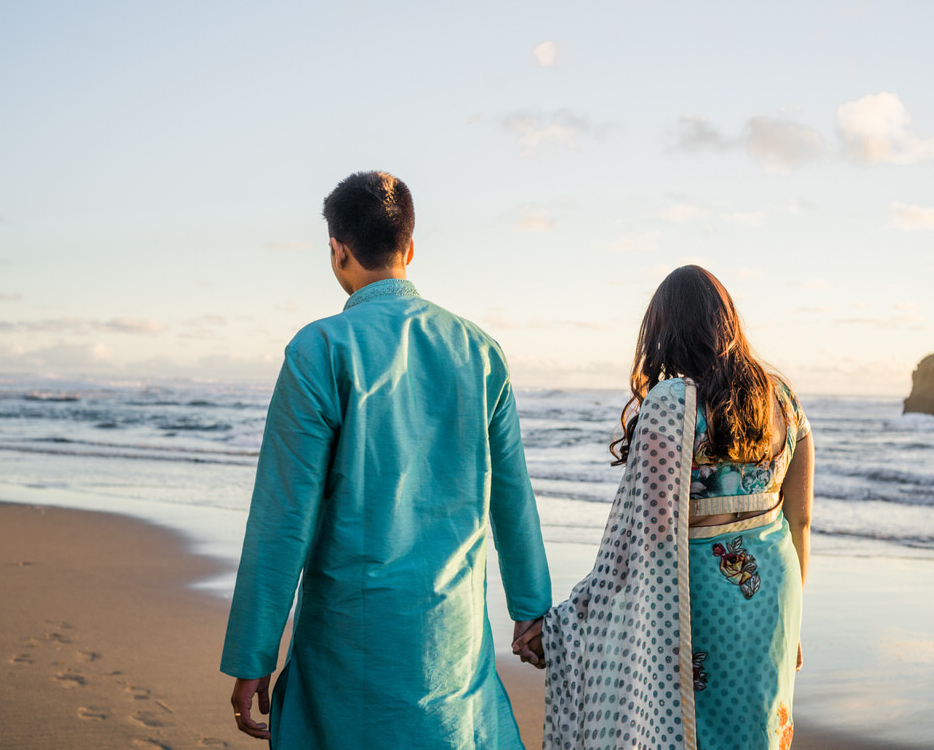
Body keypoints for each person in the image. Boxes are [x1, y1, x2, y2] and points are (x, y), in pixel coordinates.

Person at [220, 171, 552, 749]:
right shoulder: (478, 349)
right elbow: (512, 495)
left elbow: (282, 516)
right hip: (449, 634)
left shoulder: (318, 349)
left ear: (337, 251)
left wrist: (254, 651)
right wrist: (531, 609)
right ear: (411, 248)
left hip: (348, 633)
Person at [523, 265, 814, 750]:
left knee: (696, 734)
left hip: (701, 594)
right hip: (775, 588)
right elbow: (799, 519)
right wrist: (796, 620)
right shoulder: (782, 398)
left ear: (666, 331)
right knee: (756, 731)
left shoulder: (672, 401)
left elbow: (645, 542)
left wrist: (561, 627)